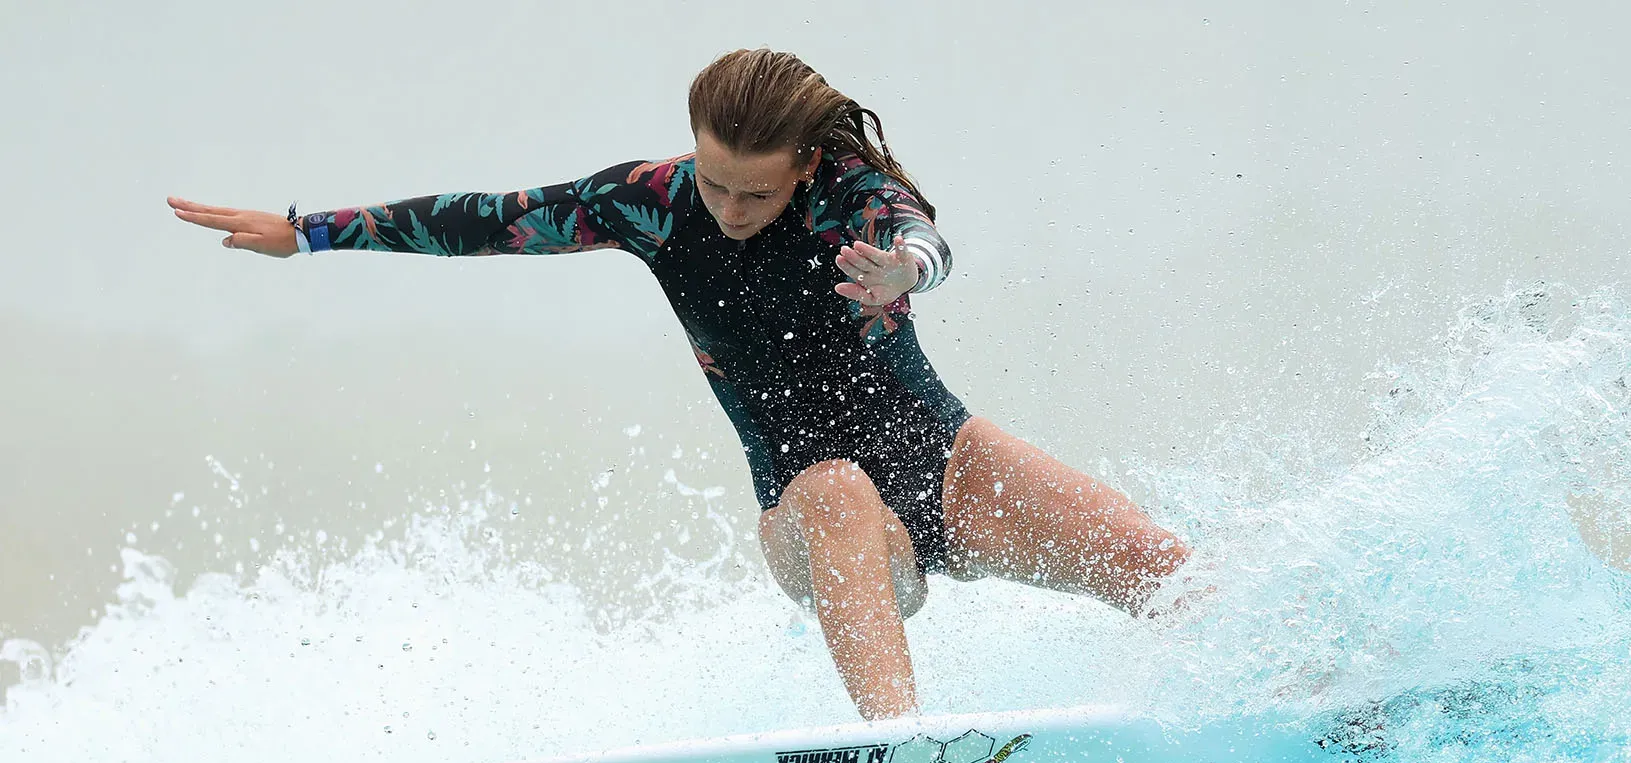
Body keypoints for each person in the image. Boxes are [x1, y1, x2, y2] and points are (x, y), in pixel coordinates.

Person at [171, 48, 1190, 720]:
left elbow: (922, 234)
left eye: (757, 189)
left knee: (1161, 565)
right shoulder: (653, 205)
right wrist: (306, 233)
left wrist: (903, 268)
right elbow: (486, 216)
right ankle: (899, 762)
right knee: (837, 486)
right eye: (716, 182)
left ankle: (1314, 719)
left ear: (801, 165)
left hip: (950, 466)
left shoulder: (852, 196)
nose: (732, 206)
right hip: (816, 518)